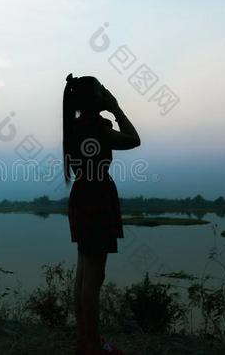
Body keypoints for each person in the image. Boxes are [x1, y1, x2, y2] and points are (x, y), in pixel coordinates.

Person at [63, 74, 141, 355]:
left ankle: (85, 339)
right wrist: (117, 108)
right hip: (97, 198)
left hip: (83, 196)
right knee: (94, 275)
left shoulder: (72, 128)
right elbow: (134, 139)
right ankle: (93, 344)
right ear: (96, 99)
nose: (106, 92)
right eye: (102, 90)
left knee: (84, 271)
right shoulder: (97, 127)